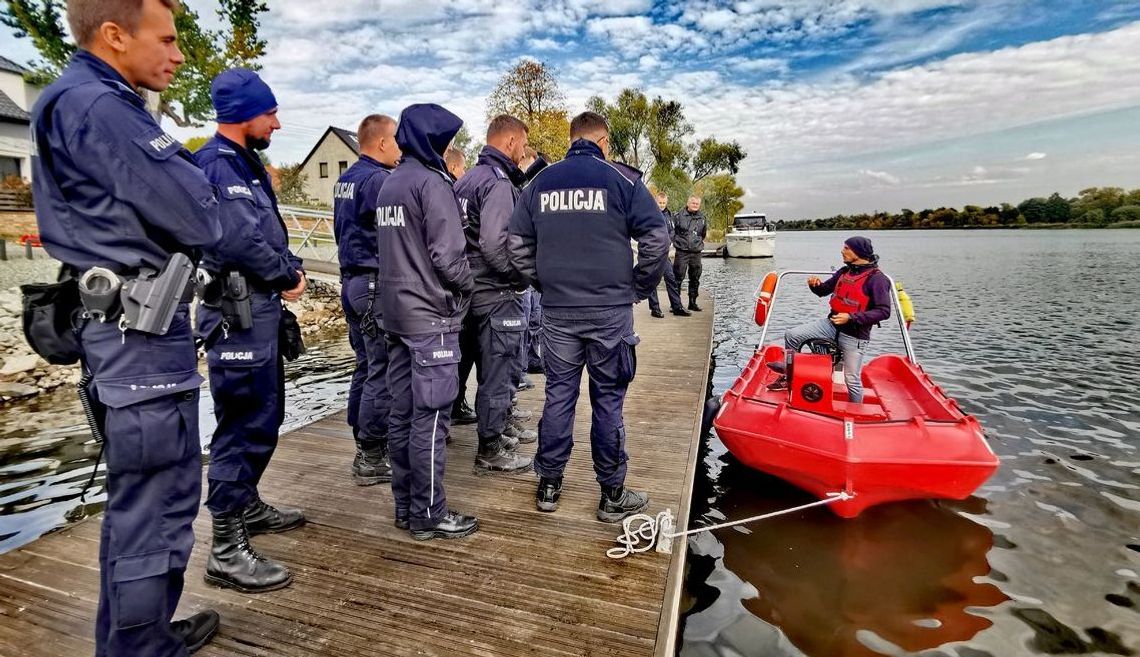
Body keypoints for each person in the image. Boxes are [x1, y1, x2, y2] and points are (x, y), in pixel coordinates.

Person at [30, 0, 222, 653]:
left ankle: (132, 638)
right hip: (139, 346)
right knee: (158, 511)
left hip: (123, 336)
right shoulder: (101, 108)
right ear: (115, 35)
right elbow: (202, 215)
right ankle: (142, 648)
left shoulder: (82, 100)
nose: (176, 54)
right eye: (165, 39)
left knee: (135, 507)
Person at [508, 111, 670, 522]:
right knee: (608, 401)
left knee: (558, 396)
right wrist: (639, 286)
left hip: (559, 311)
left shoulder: (540, 182)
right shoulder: (623, 180)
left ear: (571, 138)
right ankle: (611, 493)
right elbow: (656, 238)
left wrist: (543, 282)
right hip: (610, 313)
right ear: (603, 141)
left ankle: (549, 484)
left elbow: (516, 244)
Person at [195, 69, 307, 593]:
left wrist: (290, 262)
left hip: (256, 312)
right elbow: (239, 241)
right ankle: (224, 546)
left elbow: (263, 232)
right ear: (244, 116)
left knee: (266, 415)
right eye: (270, 114)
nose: (277, 123)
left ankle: (246, 505)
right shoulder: (219, 166)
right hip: (236, 315)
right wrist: (287, 276)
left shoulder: (245, 163)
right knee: (243, 422)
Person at [375, 103, 479, 540]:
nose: (451, 147)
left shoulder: (389, 184)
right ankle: (430, 514)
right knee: (433, 418)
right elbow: (448, 256)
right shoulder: (433, 185)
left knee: (402, 415)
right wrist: (466, 287)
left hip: (395, 316)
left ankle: (406, 507)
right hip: (431, 319)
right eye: (448, 140)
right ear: (434, 140)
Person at [452, 115, 537, 474]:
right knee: (497, 371)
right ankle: (490, 447)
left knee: (470, 364)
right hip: (496, 291)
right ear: (511, 142)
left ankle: (489, 431)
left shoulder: (467, 178)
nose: (521, 153)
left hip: (467, 290)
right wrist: (521, 277)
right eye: (521, 144)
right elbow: (494, 243)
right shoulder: (499, 184)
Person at [333, 114, 400, 485]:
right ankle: (372, 454)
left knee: (364, 364)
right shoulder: (378, 181)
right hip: (373, 283)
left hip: (351, 282)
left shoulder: (346, 178)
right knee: (382, 370)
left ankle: (363, 440)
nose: (400, 149)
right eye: (397, 141)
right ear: (382, 143)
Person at [768, 236, 892, 403]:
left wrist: (851, 317)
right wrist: (815, 286)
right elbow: (823, 291)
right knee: (792, 335)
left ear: (859, 252)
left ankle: (855, 413)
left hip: (854, 335)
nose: (842, 251)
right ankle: (789, 375)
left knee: (852, 380)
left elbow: (884, 311)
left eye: (847, 248)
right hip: (830, 324)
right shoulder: (844, 272)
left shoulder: (877, 279)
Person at [646, 191, 688, 318]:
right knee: (652, 281)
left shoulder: (669, 215)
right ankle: (655, 308)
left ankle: (677, 306)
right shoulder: (649, 214)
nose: (662, 205)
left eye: (664, 203)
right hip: (653, 253)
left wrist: (668, 240)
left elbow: (672, 232)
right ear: (656, 201)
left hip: (664, 253)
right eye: (660, 203)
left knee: (671, 279)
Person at [672, 195, 707, 312]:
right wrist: (678, 242)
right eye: (693, 203)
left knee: (695, 278)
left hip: (696, 252)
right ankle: (675, 304)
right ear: (688, 203)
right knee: (678, 278)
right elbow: (673, 232)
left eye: (697, 204)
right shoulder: (678, 216)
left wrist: (697, 243)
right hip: (682, 251)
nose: (695, 205)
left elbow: (703, 234)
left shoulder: (702, 217)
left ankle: (692, 302)